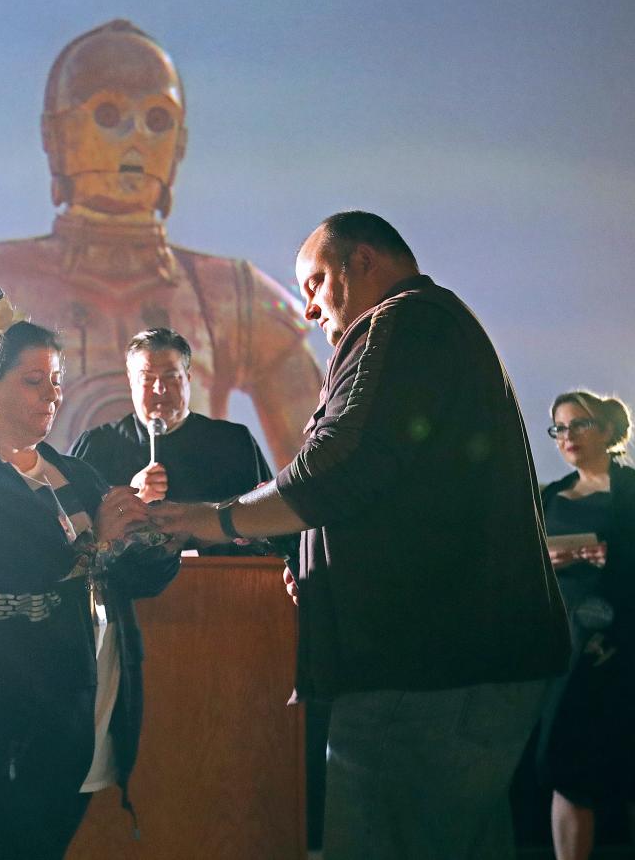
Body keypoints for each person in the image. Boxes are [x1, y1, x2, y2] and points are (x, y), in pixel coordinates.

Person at [153, 210, 571, 858]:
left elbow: (335, 469)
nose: (310, 306)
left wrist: (208, 519)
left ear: (364, 262)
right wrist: (324, 570)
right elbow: (383, 485)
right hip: (458, 665)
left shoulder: (402, 322)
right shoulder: (430, 327)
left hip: (424, 671)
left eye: (316, 280)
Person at [0, 19, 319, 477]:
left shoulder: (234, 296)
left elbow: (324, 469)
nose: (135, 139)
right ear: (57, 133)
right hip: (30, 552)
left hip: (193, 552)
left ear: (180, 143)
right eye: (108, 114)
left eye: (157, 119)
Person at [0, 285, 180, 859]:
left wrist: (156, 537)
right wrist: (93, 545)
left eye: (55, 381)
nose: (52, 396)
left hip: (72, 727)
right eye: (32, 381)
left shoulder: (75, 475)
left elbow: (132, 577)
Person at [537, 390, 635, 860]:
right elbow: (520, 572)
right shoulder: (549, 497)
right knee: (567, 774)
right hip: (569, 658)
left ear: (607, 431)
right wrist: (549, 561)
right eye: (560, 428)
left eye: (579, 425)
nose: (568, 437)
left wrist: (617, 557)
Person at [69, 328, 281, 553]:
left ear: (188, 378)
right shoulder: (96, 445)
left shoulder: (234, 442)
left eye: (171, 377)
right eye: (148, 379)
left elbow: (267, 526)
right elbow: (75, 537)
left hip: (218, 581)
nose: (160, 389)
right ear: (131, 382)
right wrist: (132, 498)